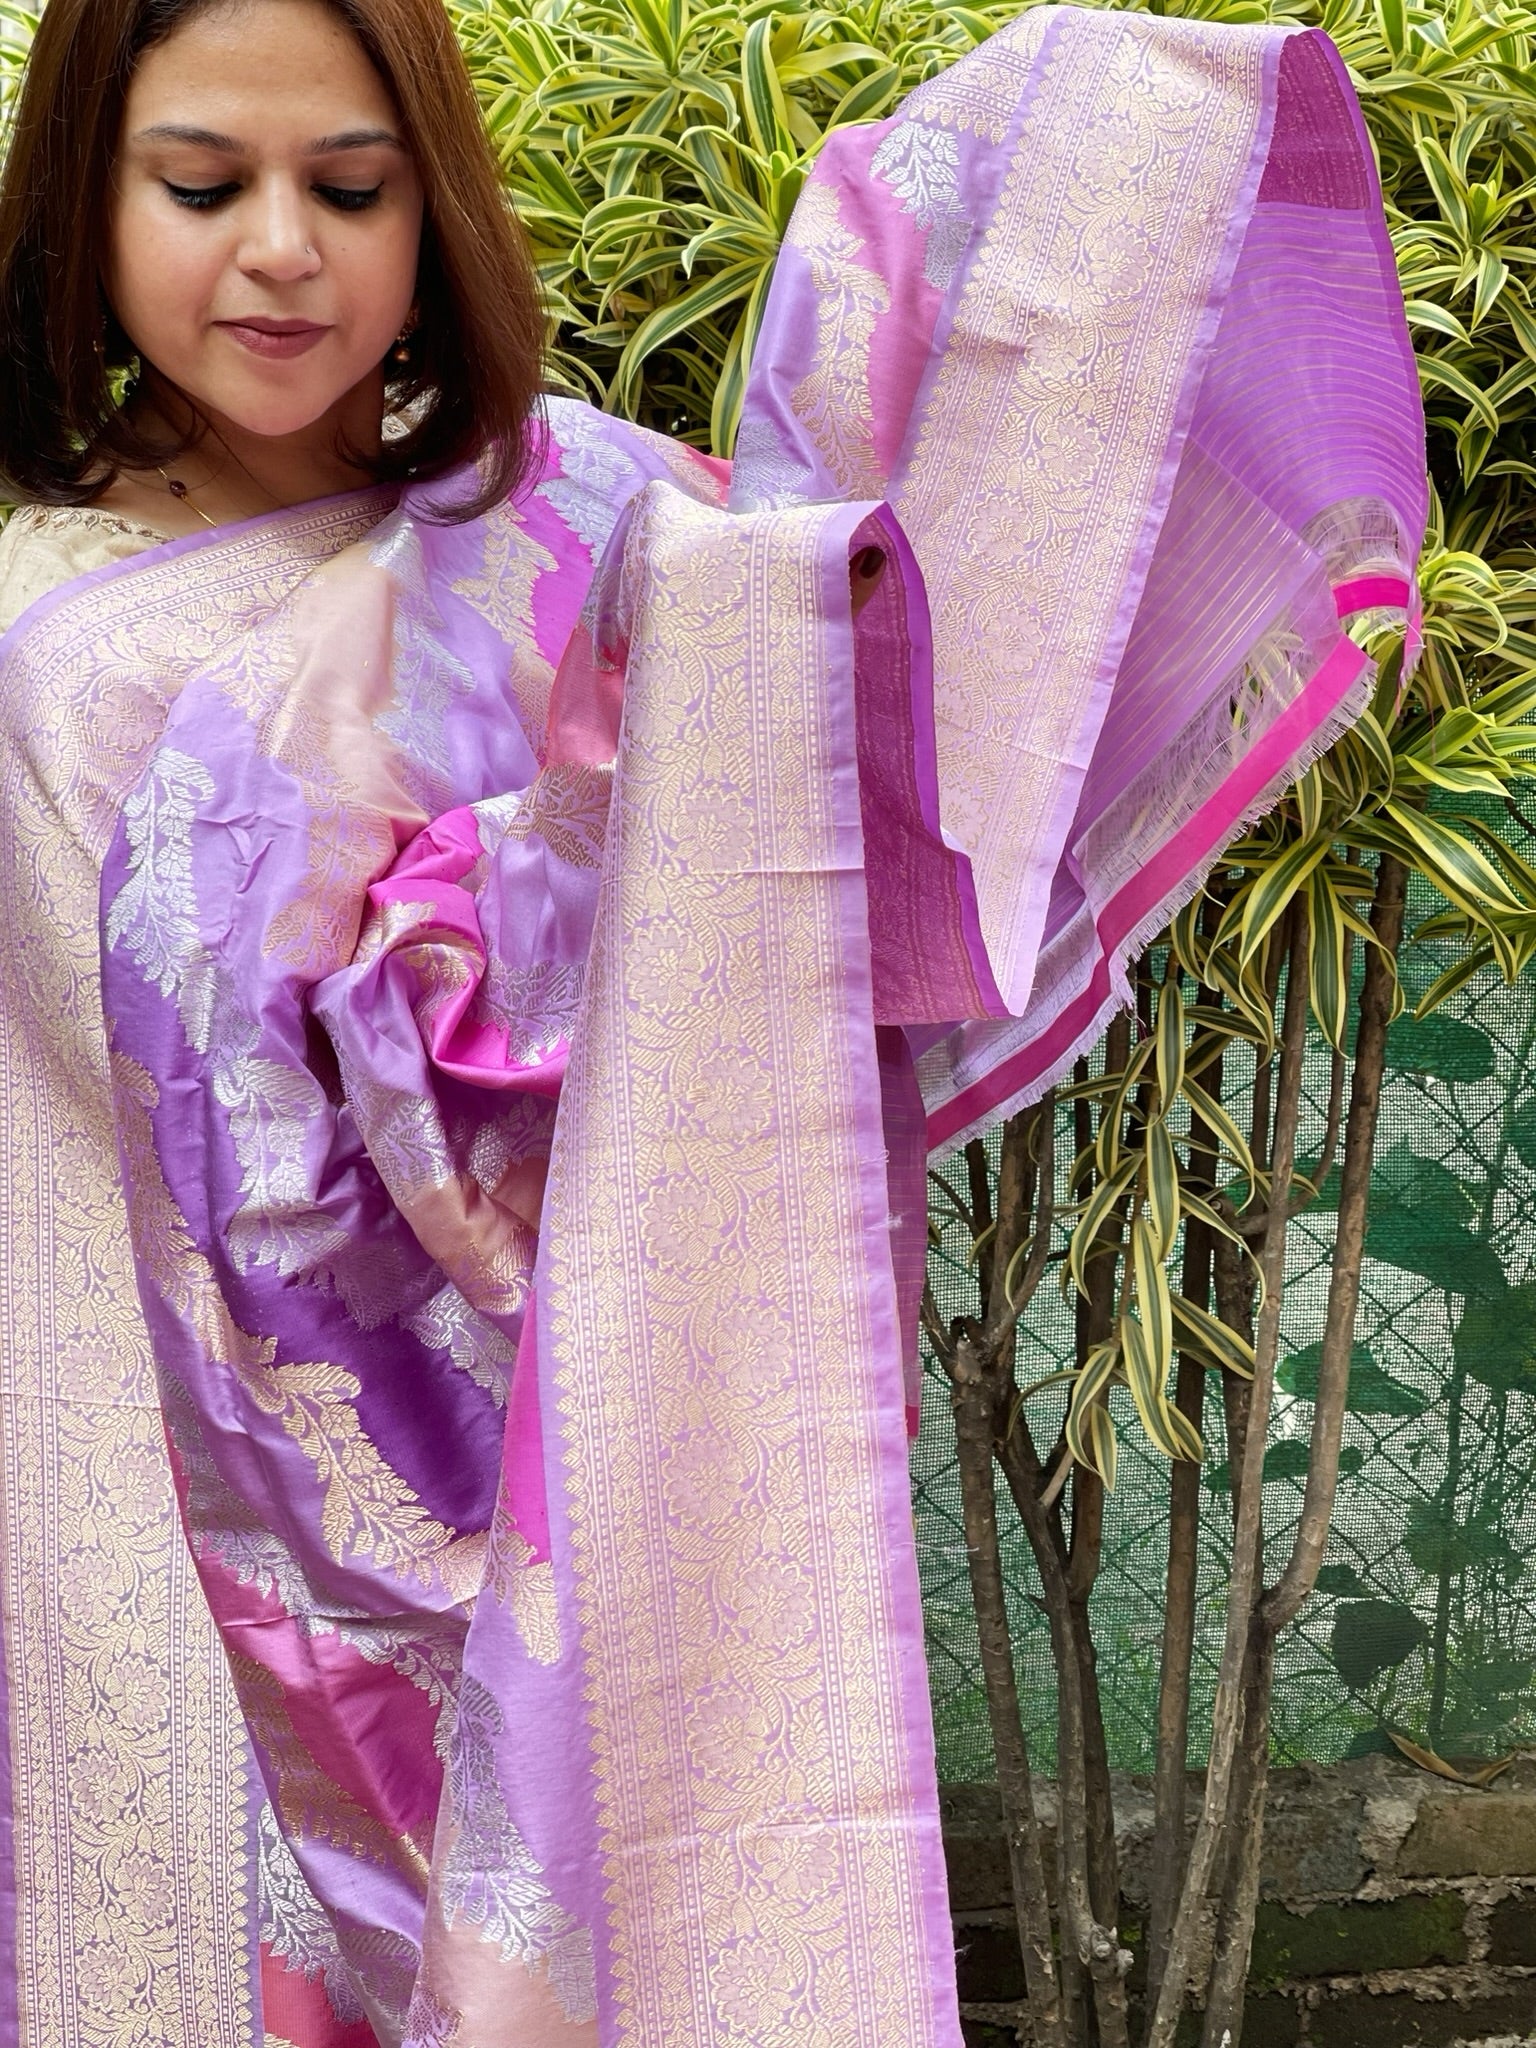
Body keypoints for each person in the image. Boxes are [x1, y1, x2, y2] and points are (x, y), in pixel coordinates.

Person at [0, 0, 1423, 2040]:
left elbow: (817, 797)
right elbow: (227, 1114)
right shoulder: (49, 636)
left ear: (434, 208)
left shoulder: (560, 525)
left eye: (351, 184)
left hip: (608, 1496)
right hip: (163, 1540)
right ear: (83, 204)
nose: (284, 250)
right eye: (203, 184)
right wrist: (542, 886)